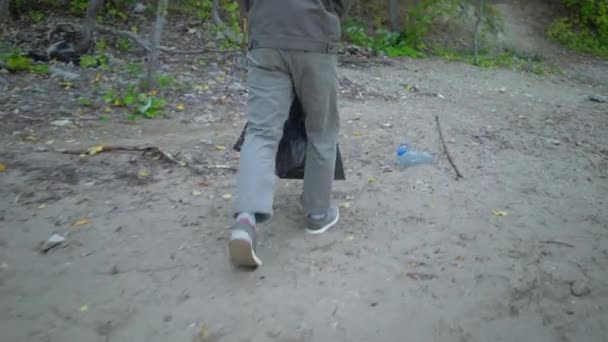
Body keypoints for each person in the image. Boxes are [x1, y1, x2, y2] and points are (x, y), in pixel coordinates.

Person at [229, 0, 353, 267]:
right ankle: (318, 213)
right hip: (315, 36)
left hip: (266, 35)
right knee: (322, 130)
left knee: (261, 131)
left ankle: (245, 220)